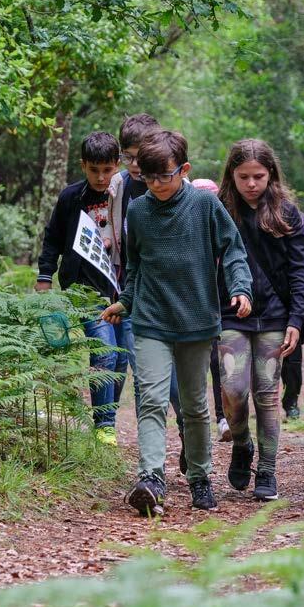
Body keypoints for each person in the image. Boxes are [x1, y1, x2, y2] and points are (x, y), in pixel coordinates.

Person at [100, 129, 252, 516]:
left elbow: (233, 250)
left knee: (196, 406)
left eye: (164, 176)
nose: (156, 185)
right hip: (150, 319)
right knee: (150, 399)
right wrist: (126, 301)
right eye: (148, 178)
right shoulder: (139, 210)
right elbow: (135, 265)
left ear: (183, 169)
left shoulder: (205, 205)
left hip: (197, 320)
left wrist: (240, 288)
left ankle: (200, 477)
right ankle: (151, 478)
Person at [215, 139, 304, 502]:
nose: (251, 184)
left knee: (267, 394)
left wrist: (296, 320)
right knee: (234, 389)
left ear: (271, 175)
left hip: (274, 315)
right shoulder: (219, 209)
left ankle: (267, 470)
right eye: (243, 177)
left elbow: (300, 270)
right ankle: (242, 442)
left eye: (258, 176)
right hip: (230, 313)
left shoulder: (286, 213)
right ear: (232, 176)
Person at [107, 114, 188, 468]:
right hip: (137, 293)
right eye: (129, 157)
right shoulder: (120, 187)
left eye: (142, 156)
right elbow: (120, 242)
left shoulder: (183, 188)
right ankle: (150, 466)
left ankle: (189, 430)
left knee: (178, 383)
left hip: (180, 296)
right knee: (144, 379)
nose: (137, 166)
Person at [36, 131, 125, 445]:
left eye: (107, 170)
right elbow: (53, 239)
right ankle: (105, 426)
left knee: (122, 355)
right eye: (94, 170)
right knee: (104, 350)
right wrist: (45, 277)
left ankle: (108, 416)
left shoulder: (128, 197)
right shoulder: (71, 197)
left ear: (118, 165)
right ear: (83, 166)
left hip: (123, 289)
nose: (101, 177)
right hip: (84, 290)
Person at [190, 177, 231, 441]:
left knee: (219, 364)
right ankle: (193, 424)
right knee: (194, 368)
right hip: (192, 314)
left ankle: (222, 417)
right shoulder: (187, 236)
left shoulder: (225, 235)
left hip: (223, 311)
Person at [280, 211, 304, 420]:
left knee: (292, 357)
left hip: (293, 297)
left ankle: (291, 401)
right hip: (261, 298)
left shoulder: (299, 219)